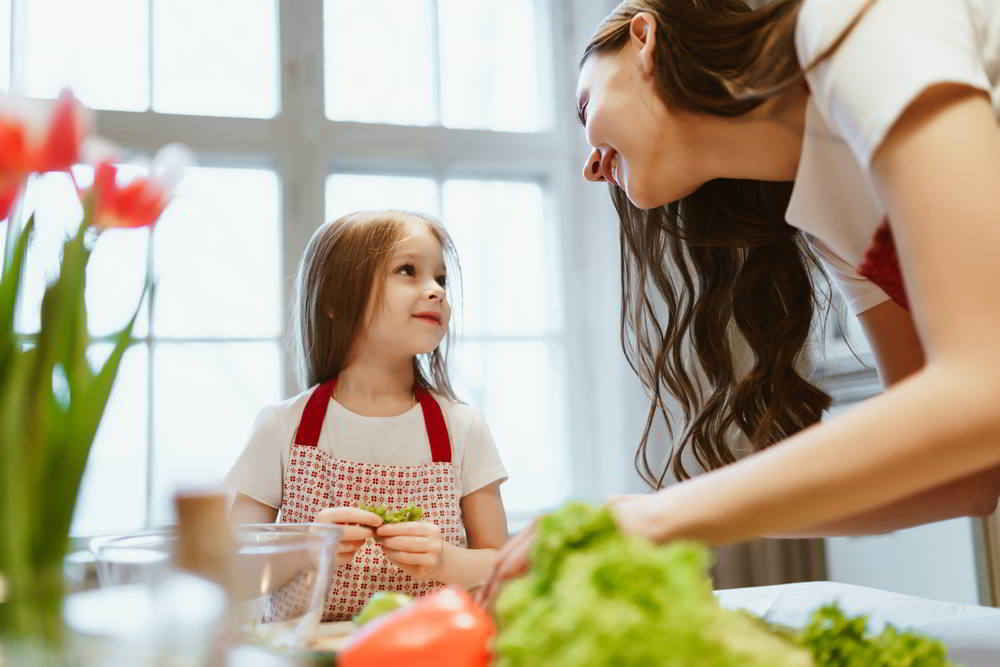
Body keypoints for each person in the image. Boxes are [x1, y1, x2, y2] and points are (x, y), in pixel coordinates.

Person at [479, 0, 1000, 602]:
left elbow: (982, 390)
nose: (592, 170)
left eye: (584, 107)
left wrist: (661, 518)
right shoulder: (833, 225)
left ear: (644, 38)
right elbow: (964, 474)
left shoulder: (858, 27)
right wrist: (674, 520)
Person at [226, 210, 509, 621]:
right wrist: (307, 549)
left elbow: (503, 566)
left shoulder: (463, 428)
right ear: (335, 301)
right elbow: (232, 570)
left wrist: (445, 560)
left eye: (441, 278)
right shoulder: (281, 426)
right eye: (408, 271)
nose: (436, 291)